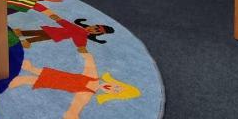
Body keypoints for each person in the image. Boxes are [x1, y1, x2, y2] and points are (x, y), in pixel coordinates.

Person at [9, 46, 140, 105]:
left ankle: (10, 82)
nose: (112, 88)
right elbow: (90, 65)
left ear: (112, 95)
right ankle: (28, 68)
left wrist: (72, 115)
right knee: (39, 72)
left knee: (26, 79)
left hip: (57, 83)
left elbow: (78, 104)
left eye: (116, 92)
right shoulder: (93, 77)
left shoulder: (88, 93)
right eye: (117, 87)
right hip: (60, 75)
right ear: (115, 82)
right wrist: (87, 54)